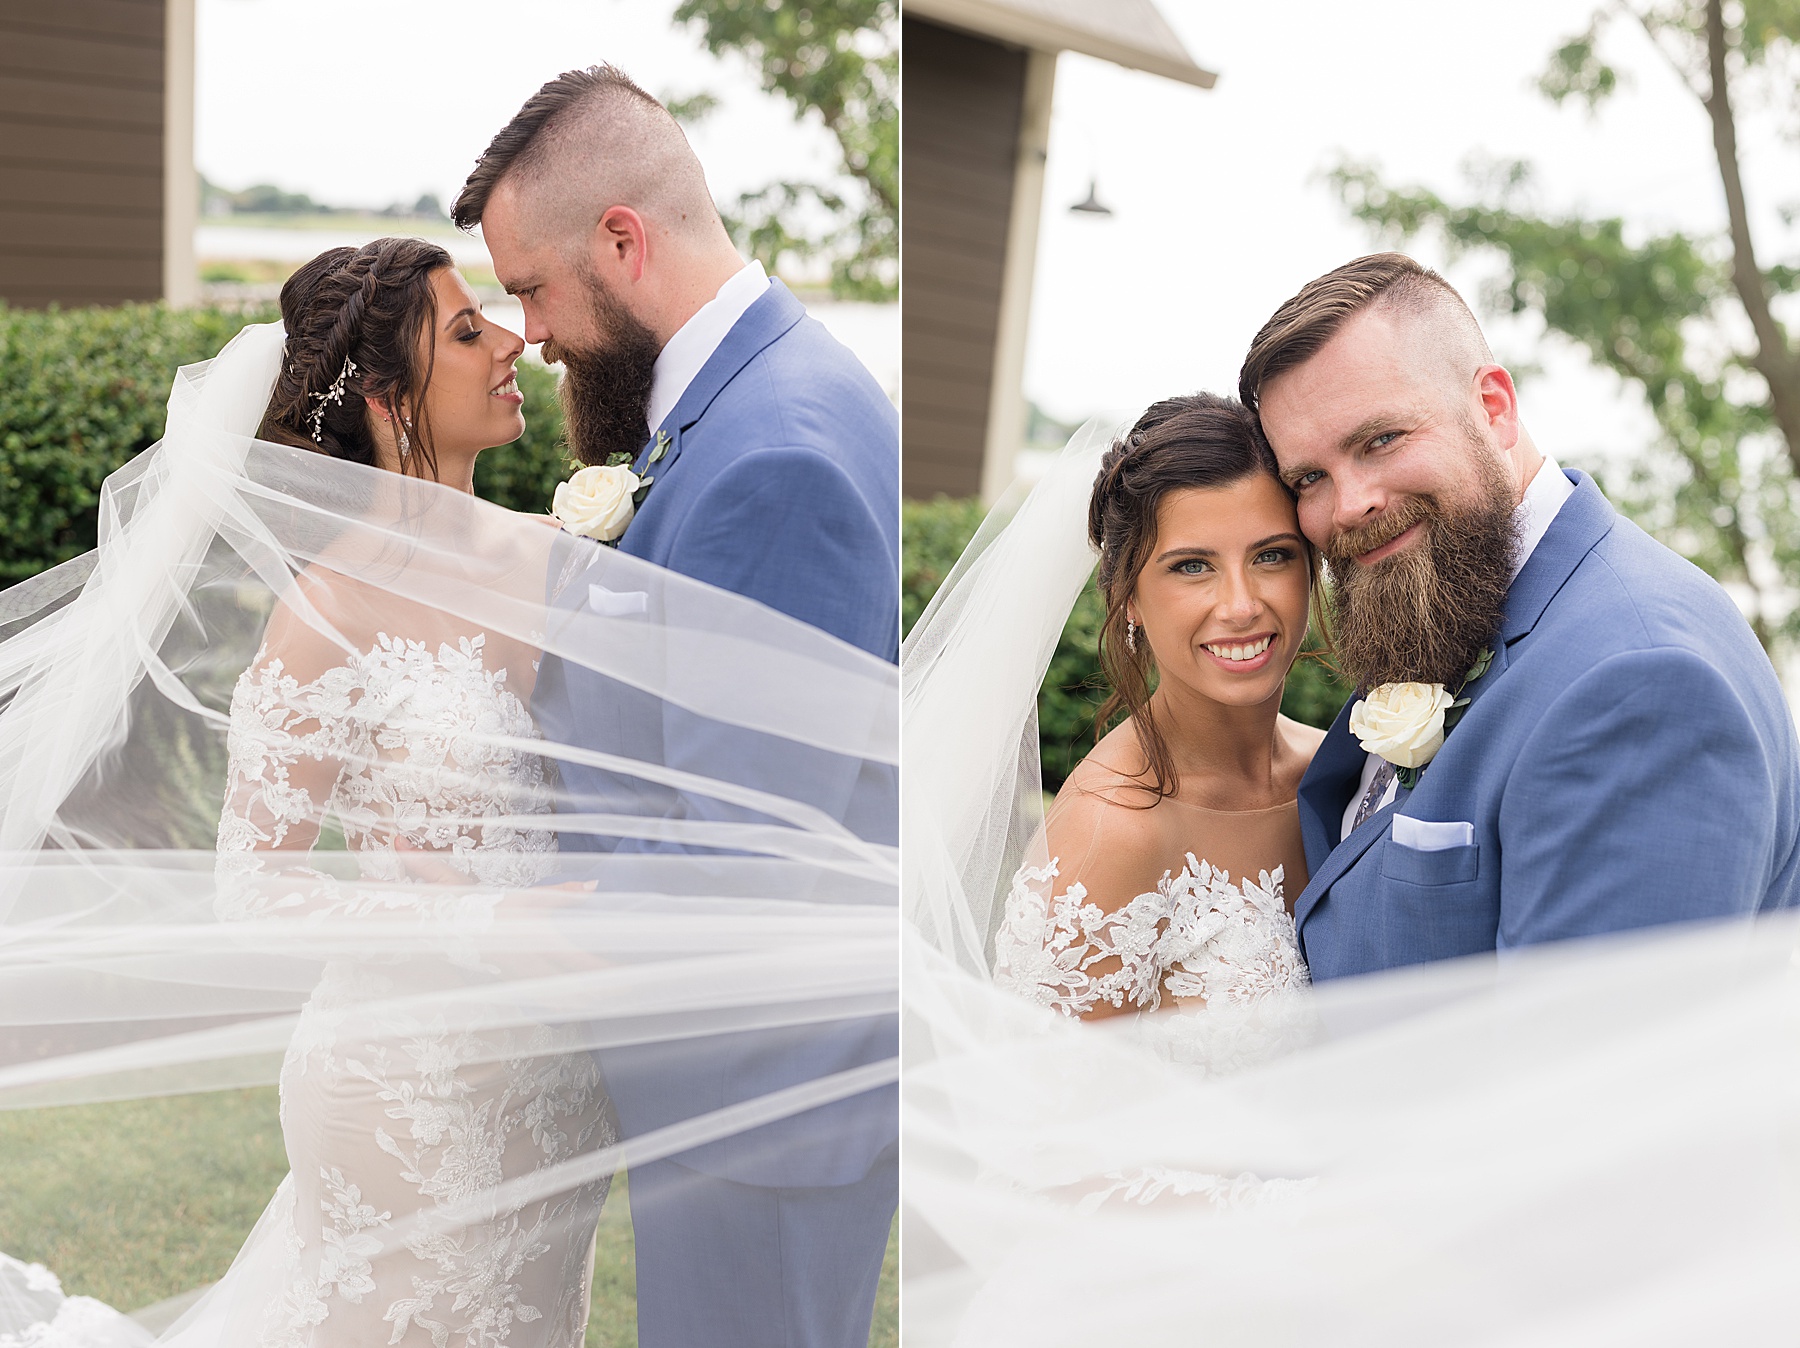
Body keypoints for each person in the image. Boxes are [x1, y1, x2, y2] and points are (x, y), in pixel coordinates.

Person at [0, 237, 898, 1344]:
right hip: (408, 1089)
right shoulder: (327, 613)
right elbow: (254, 890)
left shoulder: (569, 555)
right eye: (467, 332)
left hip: (561, 1086)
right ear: (385, 397)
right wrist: (477, 918)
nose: (513, 341)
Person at [450, 66, 898, 1348]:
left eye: (531, 287)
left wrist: (520, 918)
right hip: (736, 1087)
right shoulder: (735, 405)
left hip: (770, 1111)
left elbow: (754, 846)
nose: (527, 331)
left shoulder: (776, 456)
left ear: (623, 241)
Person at [1238, 252, 1800, 978]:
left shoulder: (1643, 679)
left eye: (1381, 440)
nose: (1348, 507)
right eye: (1309, 478)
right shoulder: (1451, 597)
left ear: (1494, 408)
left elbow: (1596, 1078)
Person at [988, 394, 1318, 1024]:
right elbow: (1041, 1114)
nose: (1241, 604)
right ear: (1127, 597)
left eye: (1271, 555)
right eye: (1192, 567)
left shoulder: (1346, 771)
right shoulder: (1111, 835)